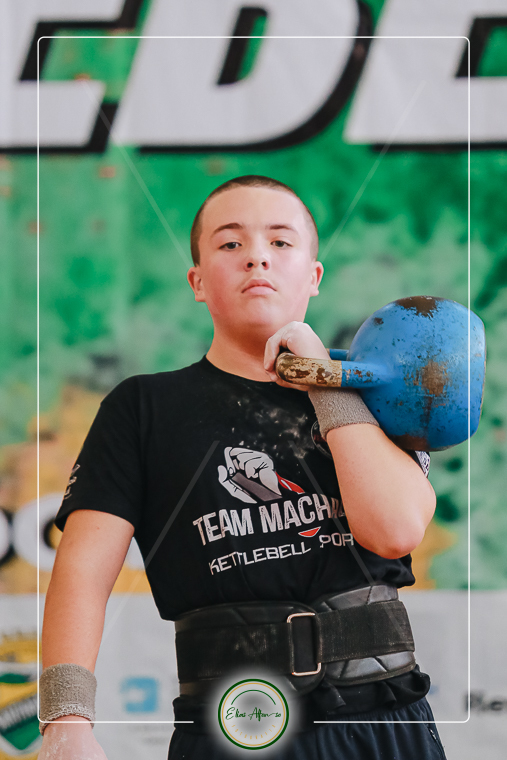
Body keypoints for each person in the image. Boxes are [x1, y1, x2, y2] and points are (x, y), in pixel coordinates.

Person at [39, 175, 446, 759]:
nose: (257, 256)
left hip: (384, 721)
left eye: (280, 242)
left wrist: (324, 381)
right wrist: (65, 719)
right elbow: (81, 572)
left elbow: (395, 530)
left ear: (314, 275)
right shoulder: (142, 407)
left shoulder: (375, 394)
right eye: (231, 243)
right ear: (198, 282)